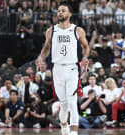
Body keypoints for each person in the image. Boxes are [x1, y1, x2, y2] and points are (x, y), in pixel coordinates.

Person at [36, 3, 89, 135]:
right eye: (58, 11)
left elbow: (86, 47)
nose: (60, 13)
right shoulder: (51, 31)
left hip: (72, 68)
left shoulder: (78, 30)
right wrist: (40, 57)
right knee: (63, 104)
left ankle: (73, 132)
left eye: (63, 11)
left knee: (72, 102)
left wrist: (85, 57)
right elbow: (46, 48)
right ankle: (64, 125)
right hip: (57, 69)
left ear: (69, 14)